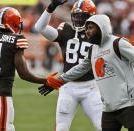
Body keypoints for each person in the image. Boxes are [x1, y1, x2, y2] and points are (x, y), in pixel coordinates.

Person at [44, 14, 134, 131]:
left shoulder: (118, 43)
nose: (87, 31)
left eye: (91, 28)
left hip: (129, 104)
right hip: (108, 108)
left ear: (102, 27)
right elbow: (80, 68)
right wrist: (60, 80)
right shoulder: (92, 49)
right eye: (87, 28)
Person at [0, 7, 63, 131]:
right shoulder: (16, 40)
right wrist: (45, 80)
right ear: (12, 23)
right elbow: (24, 74)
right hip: (1, 96)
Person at [35, 0, 103, 131]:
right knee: (61, 128)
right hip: (68, 87)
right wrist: (51, 7)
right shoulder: (66, 30)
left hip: (91, 87)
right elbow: (40, 27)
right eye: (76, 16)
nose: (78, 20)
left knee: (102, 126)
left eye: (82, 17)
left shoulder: (98, 34)